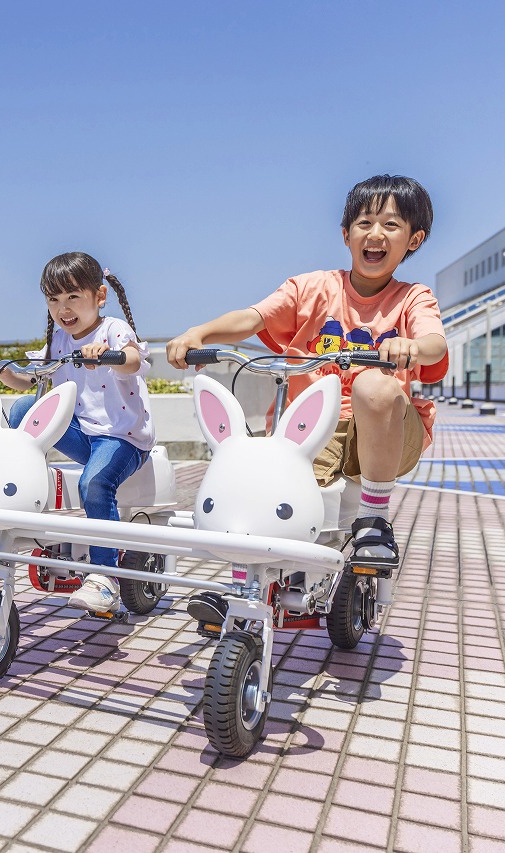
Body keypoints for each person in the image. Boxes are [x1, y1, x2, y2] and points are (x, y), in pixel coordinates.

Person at [166, 174, 448, 625]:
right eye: (365, 222)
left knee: (373, 384)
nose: (375, 234)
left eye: (391, 225)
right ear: (346, 234)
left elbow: (434, 342)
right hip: (316, 429)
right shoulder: (311, 288)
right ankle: (242, 585)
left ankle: (375, 521)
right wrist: (199, 332)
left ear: (414, 239)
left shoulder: (412, 298)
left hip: (388, 426)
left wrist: (410, 347)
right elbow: (252, 317)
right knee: (265, 490)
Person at [0, 251, 155, 614]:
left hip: (122, 439)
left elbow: (135, 359)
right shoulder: (59, 340)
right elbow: (30, 377)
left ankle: (105, 578)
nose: (64, 307)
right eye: (54, 299)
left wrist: (109, 354)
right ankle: (16, 486)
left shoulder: (113, 330)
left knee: (94, 484)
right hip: (85, 437)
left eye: (73, 296)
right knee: (27, 407)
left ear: (99, 297)